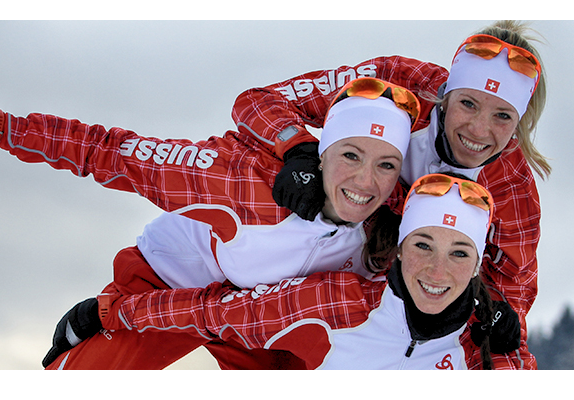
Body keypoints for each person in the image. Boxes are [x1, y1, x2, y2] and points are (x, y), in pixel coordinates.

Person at [26, 77, 417, 369]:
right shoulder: (243, 183)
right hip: (169, 281)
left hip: (258, 323)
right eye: (350, 156)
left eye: (386, 165)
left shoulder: (393, 234)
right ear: (321, 152)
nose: (365, 181)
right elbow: (105, 152)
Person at [231, 20, 547, 369]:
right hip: (278, 262)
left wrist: (502, 316)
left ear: (519, 122)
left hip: (365, 310)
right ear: (446, 94)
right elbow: (259, 102)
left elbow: (514, 282)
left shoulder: (512, 186)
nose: (478, 129)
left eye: (502, 115)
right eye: (468, 104)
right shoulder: (396, 88)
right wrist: (298, 148)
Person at [69, 174, 521, 370]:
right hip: (171, 275)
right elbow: (221, 314)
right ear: (399, 251)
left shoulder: (486, 356)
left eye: (460, 253)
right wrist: (110, 312)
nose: (437, 269)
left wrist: (507, 314)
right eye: (423, 245)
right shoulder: (340, 306)